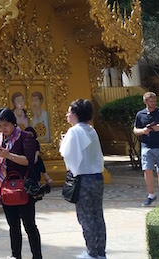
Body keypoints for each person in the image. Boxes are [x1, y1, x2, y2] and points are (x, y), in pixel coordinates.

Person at [0, 107, 41, 259]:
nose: (2, 129)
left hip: (24, 187)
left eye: (5, 125)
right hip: (5, 187)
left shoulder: (25, 137)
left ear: (13, 123)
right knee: (13, 225)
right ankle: (15, 255)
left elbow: (29, 161)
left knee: (29, 225)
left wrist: (8, 155)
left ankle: (37, 255)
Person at [60, 99, 106, 259]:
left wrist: (62, 142)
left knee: (85, 217)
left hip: (84, 178)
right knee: (97, 215)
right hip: (97, 177)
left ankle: (91, 252)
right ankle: (100, 251)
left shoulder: (74, 131)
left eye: (69, 112)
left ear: (75, 114)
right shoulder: (91, 130)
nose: (67, 115)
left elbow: (67, 153)